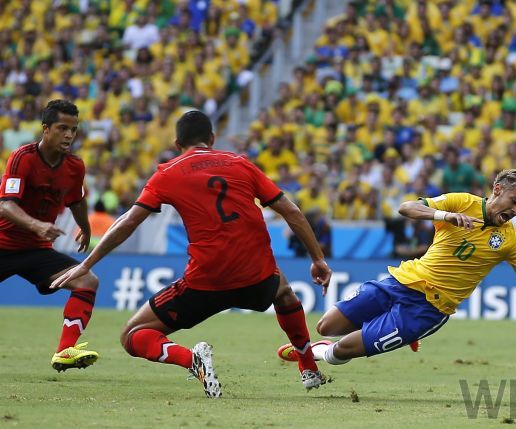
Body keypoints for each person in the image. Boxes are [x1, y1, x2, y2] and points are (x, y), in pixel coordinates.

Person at [51, 110, 332, 398]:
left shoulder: (168, 173)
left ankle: (191, 360)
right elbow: (291, 211)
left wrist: (87, 264)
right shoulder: (241, 165)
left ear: (176, 143)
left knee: (132, 335)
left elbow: (129, 221)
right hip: (256, 278)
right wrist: (318, 259)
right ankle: (308, 368)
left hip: (205, 282)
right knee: (283, 291)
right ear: (212, 139)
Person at [278, 169, 516, 372]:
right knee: (326, 327)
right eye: (515, 201)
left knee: (342, 350)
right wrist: (444, 215)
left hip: (428, 310)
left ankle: (321, 355)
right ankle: (332, 342)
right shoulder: (461, 203)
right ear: (498, 189)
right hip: (403, 280)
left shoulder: (511, 242)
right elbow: (406, 207)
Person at [0, 99, 100, 372]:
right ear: (46, 129)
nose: (69, 135)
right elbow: (5, 205)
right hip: (3, 244)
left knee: (86, 280)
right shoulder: (24, 157)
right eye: (62, 128)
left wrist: (86, 227)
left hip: (36, 250)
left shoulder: (75, 166)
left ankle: (65, 350)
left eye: (74, 129)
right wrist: (37, 226)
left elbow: (76, 199)